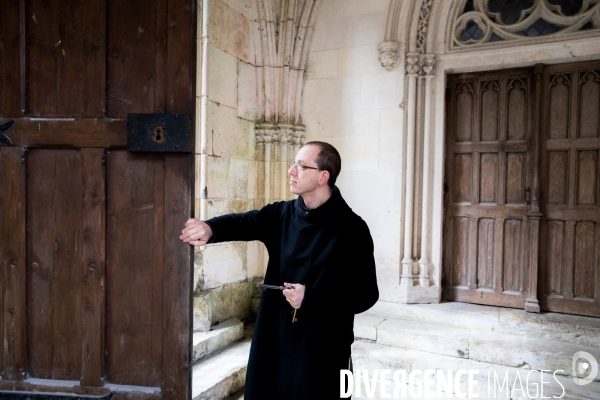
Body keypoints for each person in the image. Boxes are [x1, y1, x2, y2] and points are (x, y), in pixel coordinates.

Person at [180, 141, 379, 399]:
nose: (291, 171)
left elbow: (366, 294)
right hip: (275, 338)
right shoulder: (282, 215)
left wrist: (311, 297)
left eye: (300, 165)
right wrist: (209, 229)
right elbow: (244, 222)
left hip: (322, 348)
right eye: (293, 163)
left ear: (323, 176)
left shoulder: (352, 229)